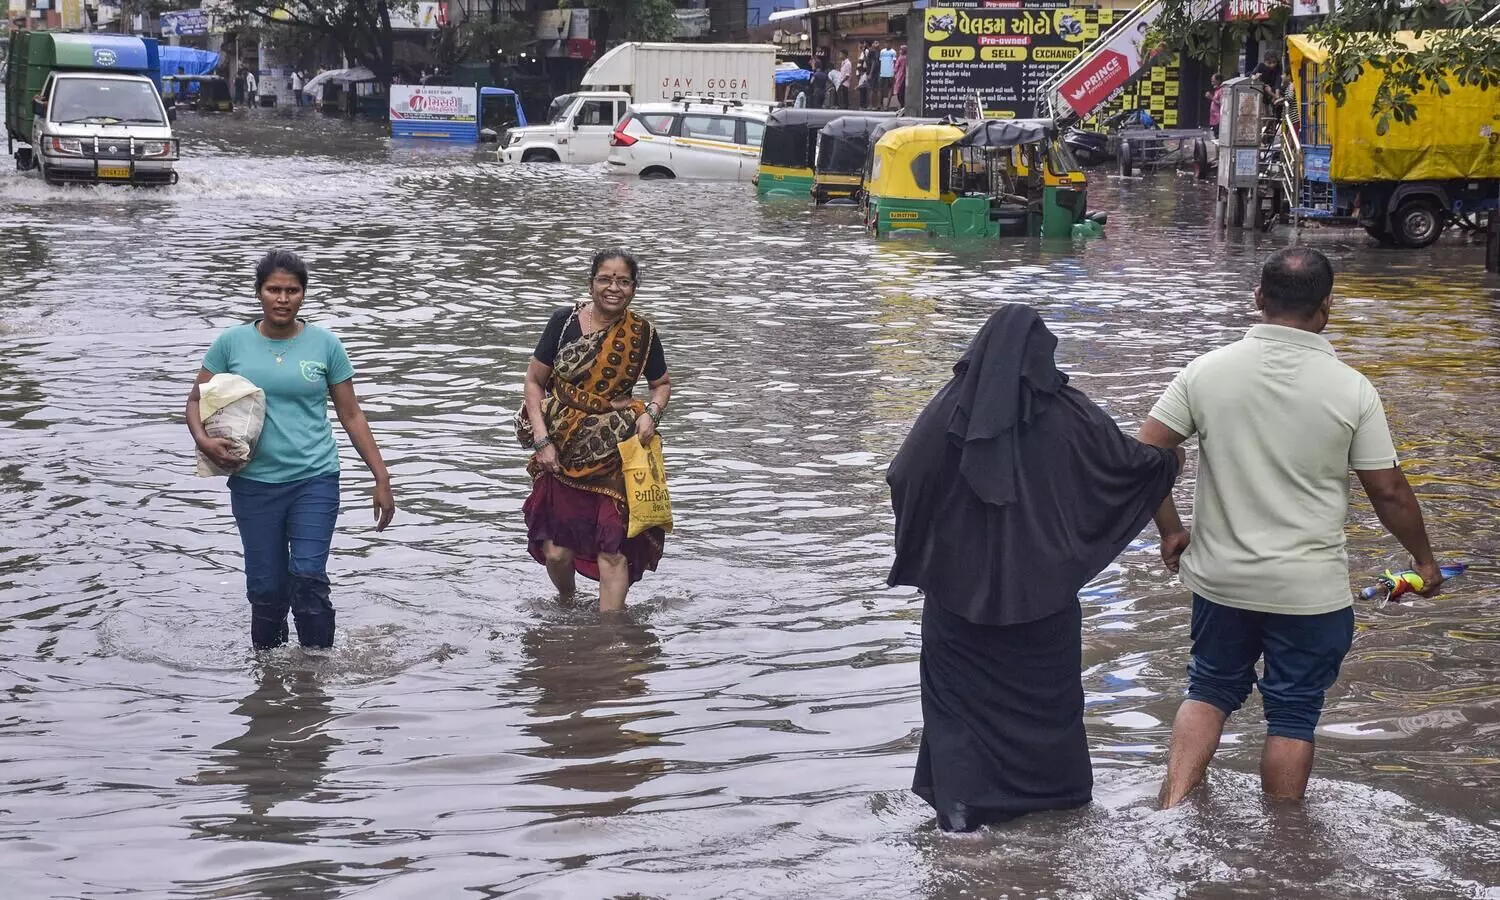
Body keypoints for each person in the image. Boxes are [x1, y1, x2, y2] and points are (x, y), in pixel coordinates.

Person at [1138, 247, 1444, 809]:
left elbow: (1142, 458)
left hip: (1222, 580)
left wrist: (1170, 529)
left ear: (1259, 298)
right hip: (1309, 591)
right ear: (1327, 307)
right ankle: (1285, 846)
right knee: (1295, 712)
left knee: (1207, 690)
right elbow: (1389, 491)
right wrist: (1424, 562)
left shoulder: (1206, 372)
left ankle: (1171, 808)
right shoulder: (1352, 389)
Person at [888, 305, 1184, 833]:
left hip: (956, 598)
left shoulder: (946, 410)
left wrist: (937, 548)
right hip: (1043, 597)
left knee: (958, 714)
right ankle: (1057, 812)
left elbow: (903, 477)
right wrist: (1170, 462)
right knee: (1047, 710)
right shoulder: (1071, 413)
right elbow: (1125, 467)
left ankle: (961, 816)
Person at [186, 250, 396, 651]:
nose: (282, 298)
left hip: (314, 479)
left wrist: (381, 476)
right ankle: (268, 682)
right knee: (266, 588)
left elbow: (351, 415)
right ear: (259, 293)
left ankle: (316, 673)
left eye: (292, 290)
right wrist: (204, 440)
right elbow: (194, 401)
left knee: (308, 575)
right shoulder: (232, 343)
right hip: (254, 481)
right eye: (274, 290)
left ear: (303, 295)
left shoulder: (325, 344)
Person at [521, 249, 672, 614]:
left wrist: (651, 412)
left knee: (613, 550)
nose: (613, 288)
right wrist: (542, 441)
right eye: (605, 279)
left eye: (623, 281)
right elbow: (533, 381)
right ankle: (567, 601)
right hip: (562, 448)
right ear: (591, 283)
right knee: (557, 552)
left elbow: (662, 384)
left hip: (615, 451)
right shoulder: (563, 322)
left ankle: (610, 639)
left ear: (634, 288)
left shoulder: (643, 334)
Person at [879, 41, 897, 108]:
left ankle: (887, 105)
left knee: (890, 89)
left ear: (891, 44)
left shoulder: (893, 52)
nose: (887, 44)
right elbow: (881, 61)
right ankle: (881, 104)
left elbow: (895, 63)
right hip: (882, 73)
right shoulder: (882, 51)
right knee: (881, 89)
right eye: (886, 43)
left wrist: (894, 73)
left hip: (890, 73)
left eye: (889, 43)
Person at [893, 45, 908, 111]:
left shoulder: (901, 58)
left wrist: (894, 73)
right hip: (905, 76)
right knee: (903, 91)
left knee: (899, 92)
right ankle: (903, 105)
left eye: (901, 50)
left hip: (900, 76)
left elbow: (896, 68)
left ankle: (902, 105)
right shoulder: (907, 57)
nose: (900, 51)